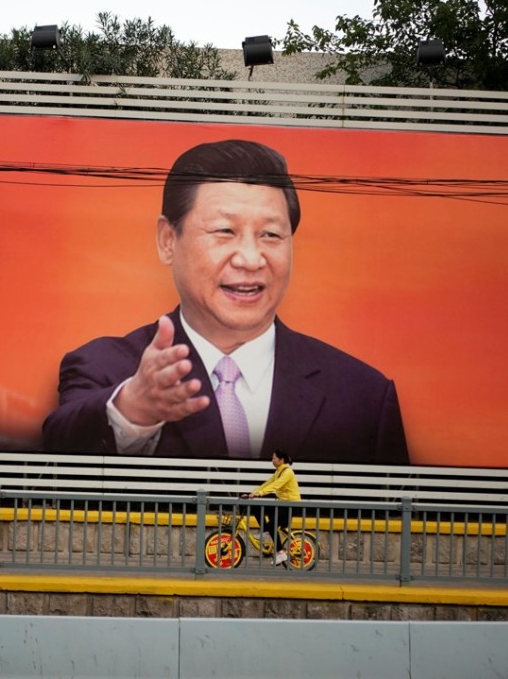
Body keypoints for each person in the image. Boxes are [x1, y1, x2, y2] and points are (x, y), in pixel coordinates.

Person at [42, 138, 409, 464]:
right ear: (168, 240)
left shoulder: (363, 396)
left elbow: (399, 533)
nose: (250, 259)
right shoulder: (103, 368)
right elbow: (58, 456)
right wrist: (135, 408)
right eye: (224, 231)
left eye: (271, 234)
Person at [241, 449, 300, 565]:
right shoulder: (279, 471)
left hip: (291, 506)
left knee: (272, 524)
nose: (272, 460)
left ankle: (280, 553)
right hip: (281, 504)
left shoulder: (287, 472)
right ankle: (266, 532)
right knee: (256, 507)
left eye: (274, 458)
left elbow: (275, 486)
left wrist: (260, 494)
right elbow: (267, 483)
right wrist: (252, 493)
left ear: (281, 460)